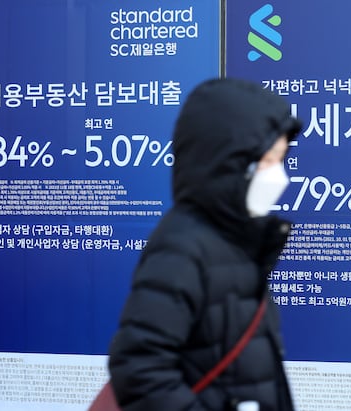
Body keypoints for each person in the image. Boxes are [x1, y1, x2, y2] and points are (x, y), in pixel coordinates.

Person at [108, 77, 302, 411]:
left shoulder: (237, 241)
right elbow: (140, 368)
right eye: (268, 161)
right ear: (229, 165)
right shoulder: (182, 248)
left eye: (281, 160)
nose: (278, 175)